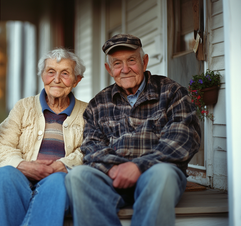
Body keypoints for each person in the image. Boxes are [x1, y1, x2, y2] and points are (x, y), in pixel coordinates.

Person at [65, 34, 201, 226]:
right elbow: (92, 146)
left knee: (162, 175)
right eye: (117, 63)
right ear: (109, 69)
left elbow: (183, 139)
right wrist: (116, 169)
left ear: (144, 62)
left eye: (131, 60)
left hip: (156, 174)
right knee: (78, 176)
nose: (125, 69)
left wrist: (138, 167)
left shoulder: (172, 92)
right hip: (112, 177)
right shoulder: (98, 103)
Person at [0, 48, 88, 226]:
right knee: (4, 175)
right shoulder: (23, 107)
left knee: (58, 181)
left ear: (77, 80)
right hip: (20, 179)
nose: (56, 80)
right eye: (51, 72)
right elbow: (4, 145)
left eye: (65, 73)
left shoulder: (88, 112)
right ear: (42, 75)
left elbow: (90, 149)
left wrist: (61, 165)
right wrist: (24, 165)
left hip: (58, 182)